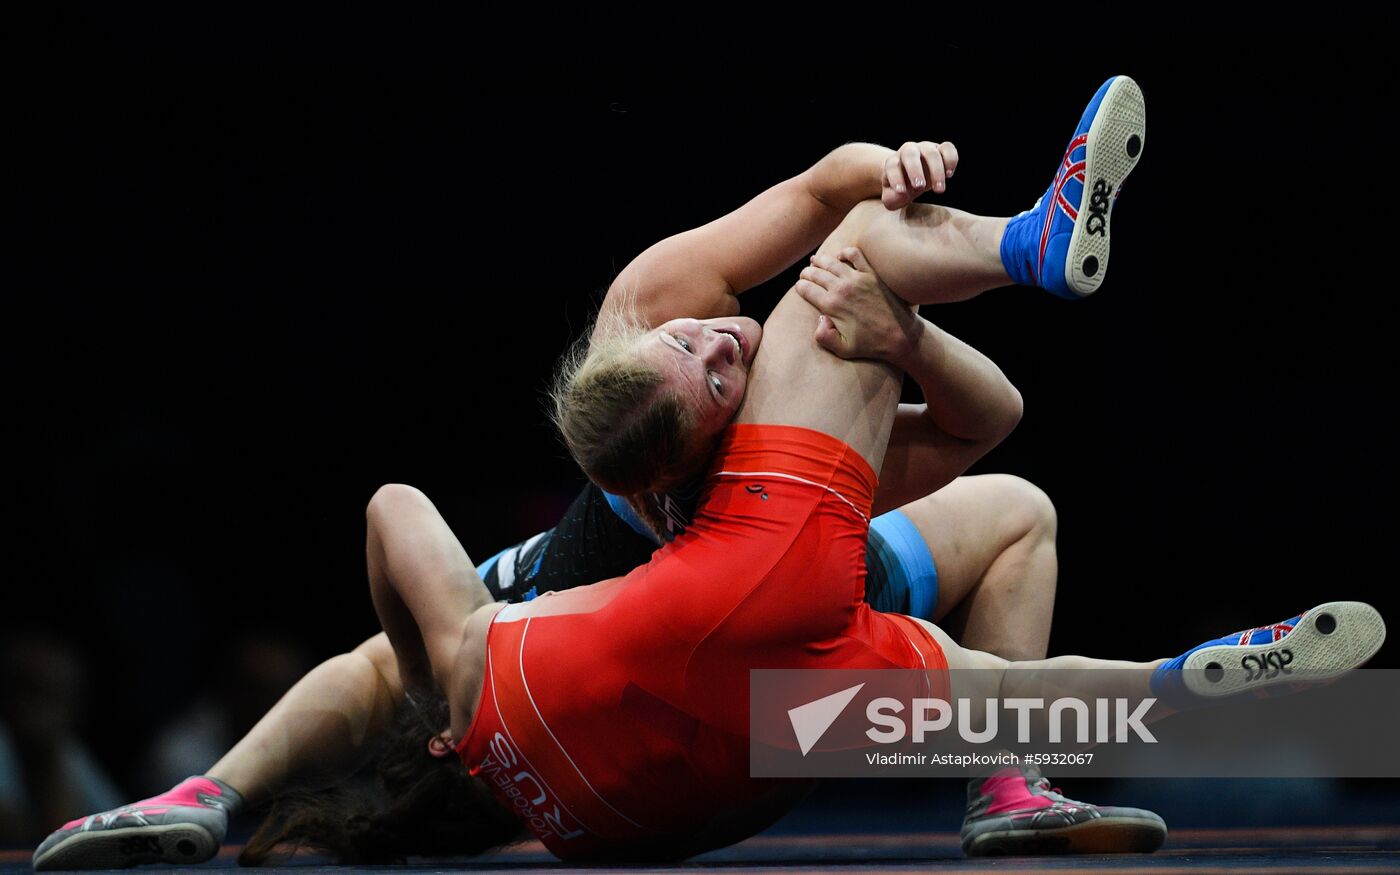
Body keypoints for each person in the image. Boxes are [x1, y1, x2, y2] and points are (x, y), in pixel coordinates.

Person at [32, 75, 1388, 868]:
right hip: (748, 637)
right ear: (677, 475)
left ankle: (1030, 775)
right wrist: (892, 314)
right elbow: (948, 375)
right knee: (852, 293)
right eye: (716, 361)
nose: (729, 331)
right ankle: (1031, 253)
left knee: (1008, 515)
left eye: (709, 339)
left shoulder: (648, 335)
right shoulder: (691, 470)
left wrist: (891, 182)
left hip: (733, 721)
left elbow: (834, 211)